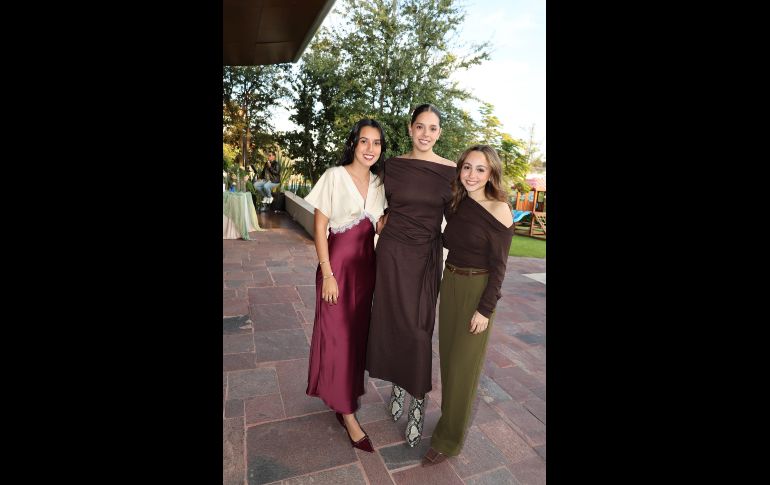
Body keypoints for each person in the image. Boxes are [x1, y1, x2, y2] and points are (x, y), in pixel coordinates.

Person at [366, 104, 456, 447]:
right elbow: (374, 207)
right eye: (420, 127)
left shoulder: (451, 171)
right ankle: (398, 388)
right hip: (391, 255)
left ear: (439, 134)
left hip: (425, 258)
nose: (425, 134)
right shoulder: (392, 167)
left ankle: (416, 403)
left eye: (432, 128)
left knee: (419, 330)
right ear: (409, 128)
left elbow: (461, 218)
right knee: (393, 324)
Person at [422, 145, 514, 466]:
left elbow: (500, 267)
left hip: (477, 290)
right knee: (448, 360)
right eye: (467, 168)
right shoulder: (458, 204)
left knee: (463, 367)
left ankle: (449, 440)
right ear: (459, 170)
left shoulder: (499, 208)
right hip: (451, 285)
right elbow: (447, 240)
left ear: (491, 174)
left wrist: (485, 310)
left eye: (480, 169)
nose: (472, 175)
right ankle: (450, 418)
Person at [304, 119, 388, 453]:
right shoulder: (334, 176)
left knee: (354, 340)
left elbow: (380, 224)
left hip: (366, 271)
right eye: (364, 141)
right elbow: (320, 226)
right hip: (336, 269)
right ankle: (349, 416)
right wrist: (327, 274)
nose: (370, 149)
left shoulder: (380, 183)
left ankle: (344, 398)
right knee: (337, 337)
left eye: (377, 143)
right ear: (353, 143)